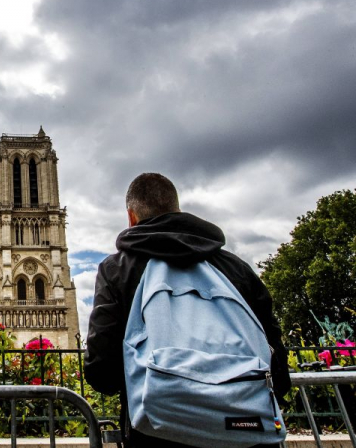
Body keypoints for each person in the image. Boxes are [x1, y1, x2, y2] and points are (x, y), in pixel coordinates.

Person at [84, 173, 291, 448]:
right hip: (247, 434)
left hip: (158, 433)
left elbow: (102, 374)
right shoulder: (236, 269)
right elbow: (277, 365)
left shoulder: (118, 270)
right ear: (178, 209)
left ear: (131, 217)